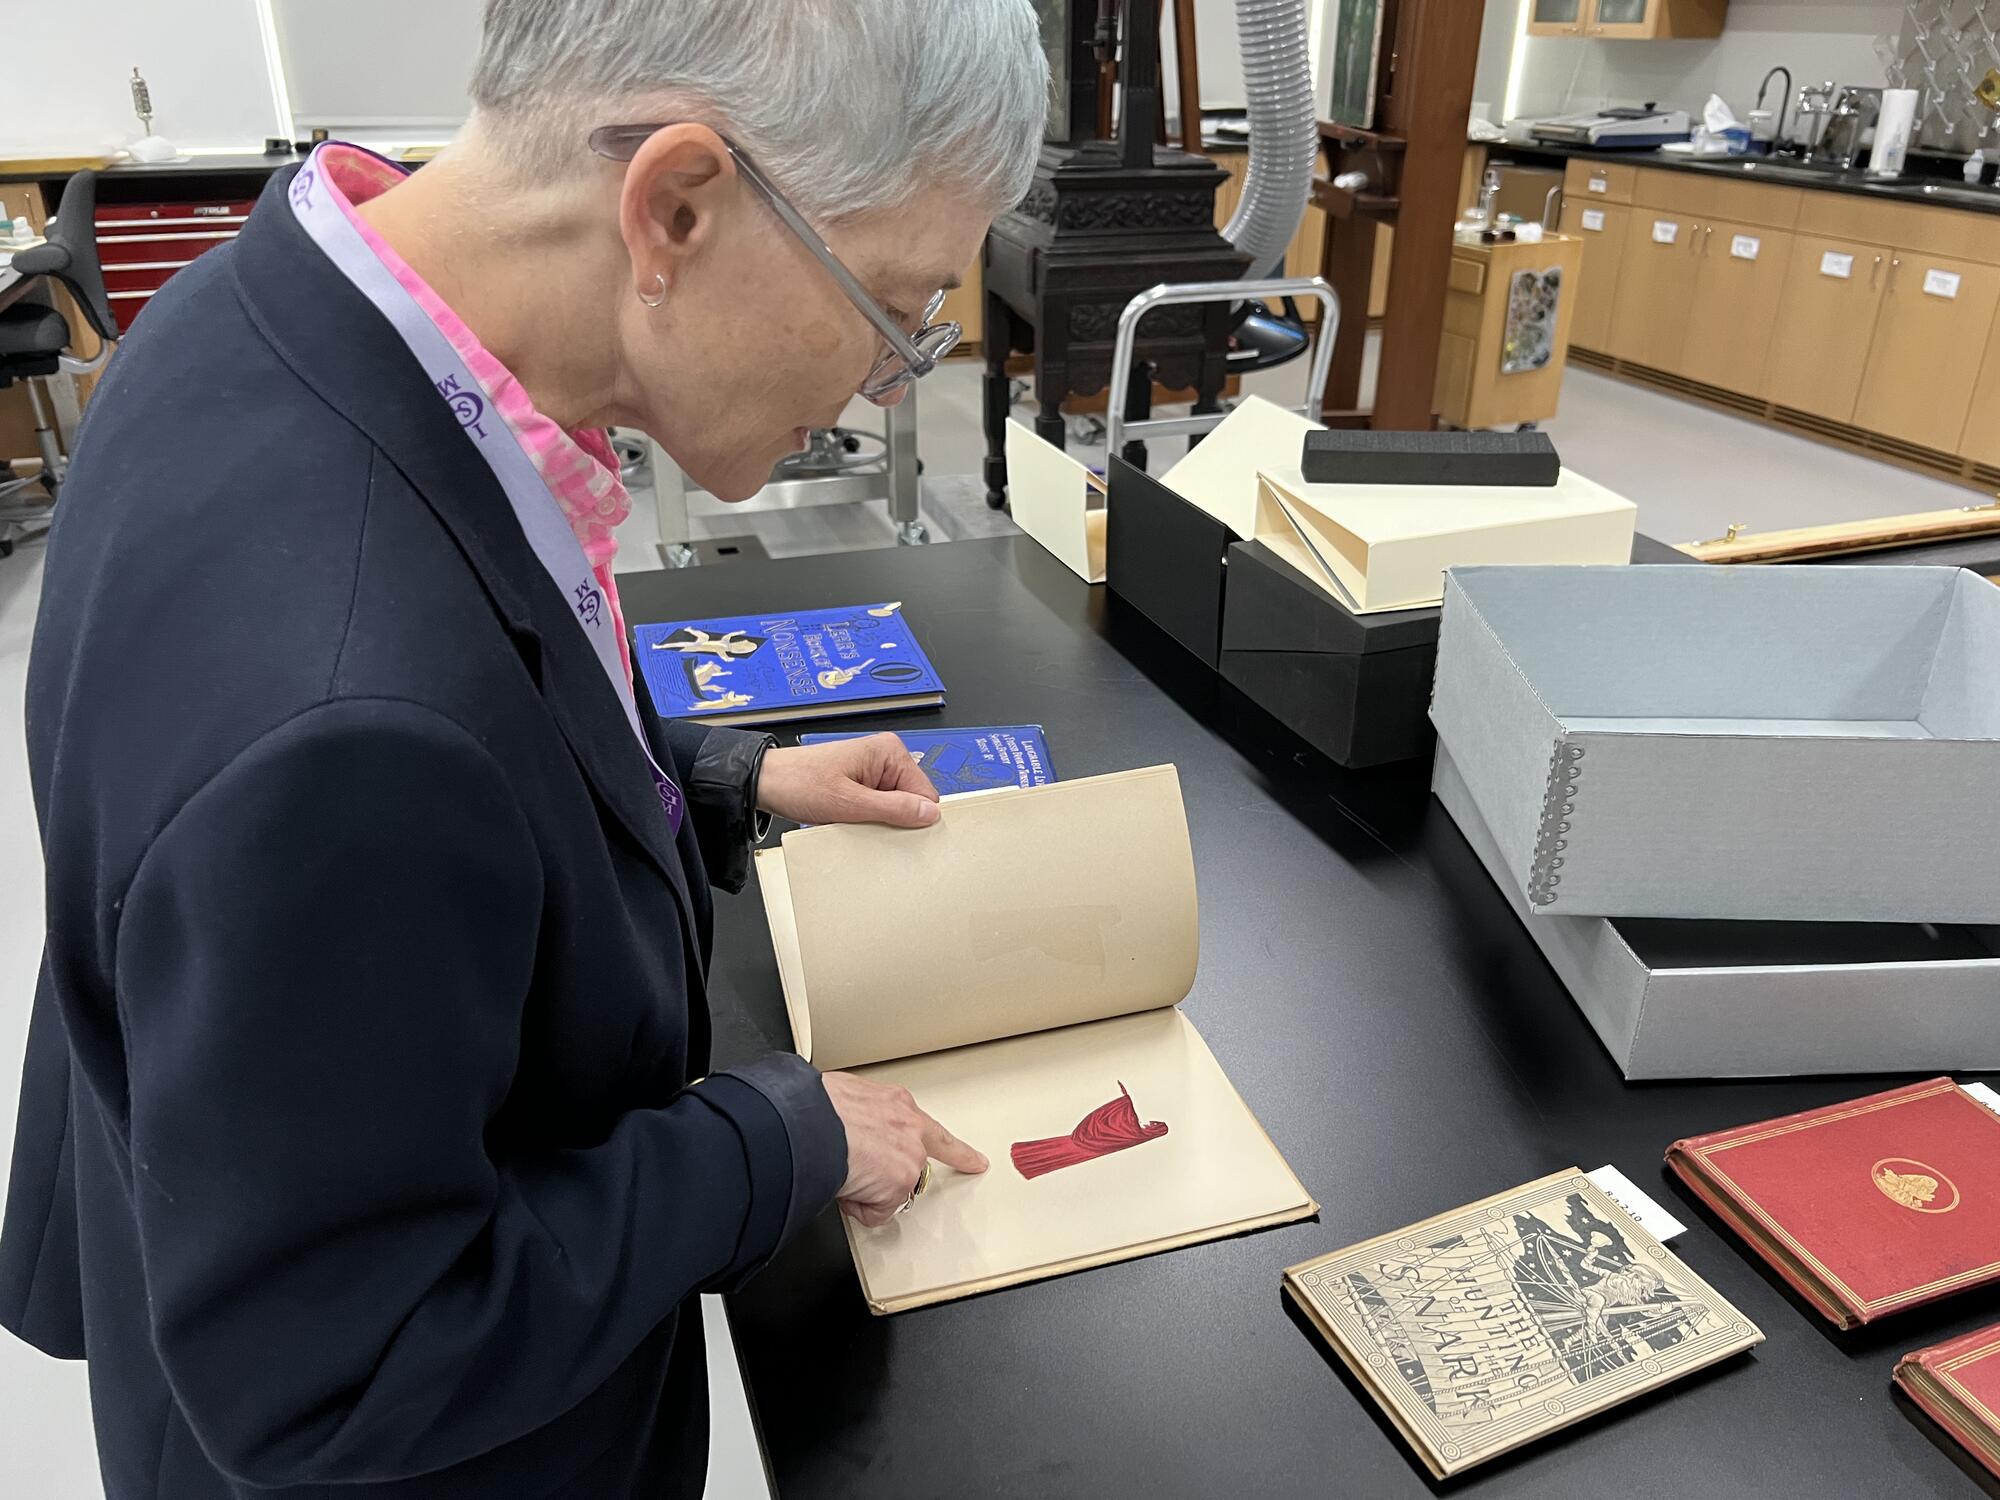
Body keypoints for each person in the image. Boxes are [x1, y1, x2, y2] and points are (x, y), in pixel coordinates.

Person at [0, 2, 1047, 1496]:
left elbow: (483, 682)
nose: (889, 381)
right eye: (895, 311)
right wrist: (772, 1141)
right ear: (677, 206)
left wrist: (708, 776)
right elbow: (340, 1362)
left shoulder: (289, 306)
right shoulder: (349, 726)